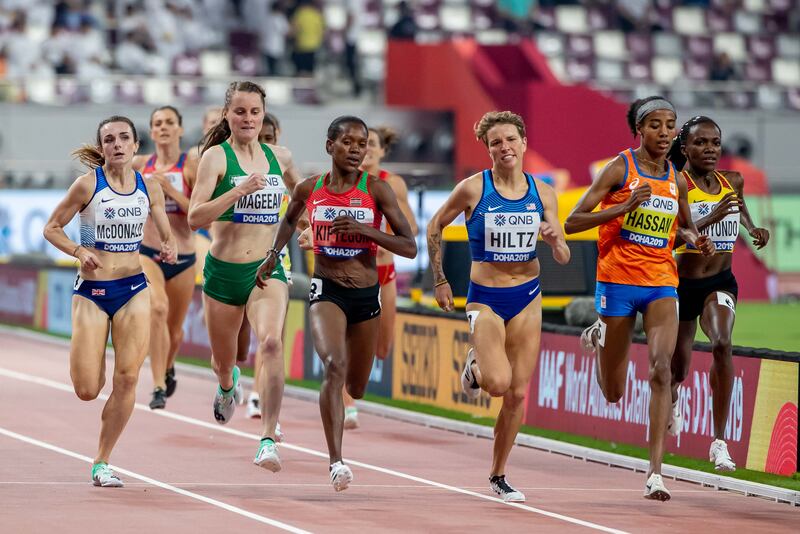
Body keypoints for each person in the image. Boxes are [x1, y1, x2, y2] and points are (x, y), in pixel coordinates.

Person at [564, 96, 715, 501]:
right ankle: (601, 336)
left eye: (670, 125)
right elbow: (573, 220)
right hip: (617, 281)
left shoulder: (677, 178)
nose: (665, 133)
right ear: (639, 129)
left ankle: (655, 474)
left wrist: (692, 238)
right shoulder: (620, 168)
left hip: (661, 282)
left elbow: (681, 226)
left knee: (660, 371)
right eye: (655, 125)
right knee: (613, 392)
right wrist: (623, 208)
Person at [255, 115, 416, 491]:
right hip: (326, 288)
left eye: (362, 144)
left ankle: (341, 431)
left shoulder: (377, 191)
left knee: (357, 387)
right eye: (348, 142)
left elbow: (408, 246)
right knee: (333, 364)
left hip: (366, 295)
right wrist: (271, 254)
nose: (357, 150)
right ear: (330, 146)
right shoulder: (309, 188)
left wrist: (367, 230)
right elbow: (288, 220)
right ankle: (336, 461)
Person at [427, 111, 570, 503]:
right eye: (495, 143)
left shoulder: (543, 193)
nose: (504, 148)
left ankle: (499, 474)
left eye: (510, 140)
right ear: (487, 149)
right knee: (496, 385)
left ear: (523, 143)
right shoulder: (474, 189)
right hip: (485, 297)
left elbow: (562, 254)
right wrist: (440, 279)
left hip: (527, 296)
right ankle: (475, 363)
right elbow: (435, 225)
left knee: (518, 395)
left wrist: (556, 240)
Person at [43, 116, 176, 487]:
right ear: (101, 148)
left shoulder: (149, 187)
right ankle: (94, 359)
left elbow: (163, 225)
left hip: (134, 287)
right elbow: (51, 227)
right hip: (93, 292)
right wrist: (78, 250)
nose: (116, 145)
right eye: (108, 140)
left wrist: (167, 245)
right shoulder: (87, 185)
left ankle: (102, 461)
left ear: (136, 146)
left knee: (129, 377)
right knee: (87, 389)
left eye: (123, 138)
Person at [188, 81, 303, 473]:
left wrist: (310, 227)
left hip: (268, 269)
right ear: (227, 115)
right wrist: (237, 193)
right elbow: (194, 217)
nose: (248, 119)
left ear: (263, 114)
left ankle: (268, 438)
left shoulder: (281, 156)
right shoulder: (215, 159)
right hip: (223, 272)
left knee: (270, 344)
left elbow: (301, 205)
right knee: (224, 361)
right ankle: (226, 385)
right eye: (240, 112)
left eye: (254, 112)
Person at [666, 115, 770, 471]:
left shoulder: (733, 181)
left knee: (722, 343)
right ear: (685, 148)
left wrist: (753, 228)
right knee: (678, 368)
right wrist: (710, 221)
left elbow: (738, 209)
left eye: (715, 142)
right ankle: (674, 393)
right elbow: (676, 232)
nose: (710, 149)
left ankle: (719, 441)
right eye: (701, 143)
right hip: (682, 284)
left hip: (720, 282)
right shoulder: (677, 183)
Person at [342, 125, 418, 430]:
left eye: (372, 143)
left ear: (382, 151)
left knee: (382, 348)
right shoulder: (342, 180)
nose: (367, 148)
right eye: (361, 144)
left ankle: (347, 387)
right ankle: (348, 404)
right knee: (347, 339)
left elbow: (409, 228)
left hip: (384, 272)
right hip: (350, 271)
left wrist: (383, 225)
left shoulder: (393, 184)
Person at [132, 106, 199, 410]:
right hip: (148, 252)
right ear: (151, 130)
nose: (163, 128)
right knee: (157, 308)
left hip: (183, 256)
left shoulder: (191, 165)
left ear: (180, 129)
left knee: (174, 333)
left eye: (170, 122)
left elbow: (201, 216)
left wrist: (169, 190)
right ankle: (158, 386)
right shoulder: (139, 165)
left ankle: (169, 366)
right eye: (157, 123)